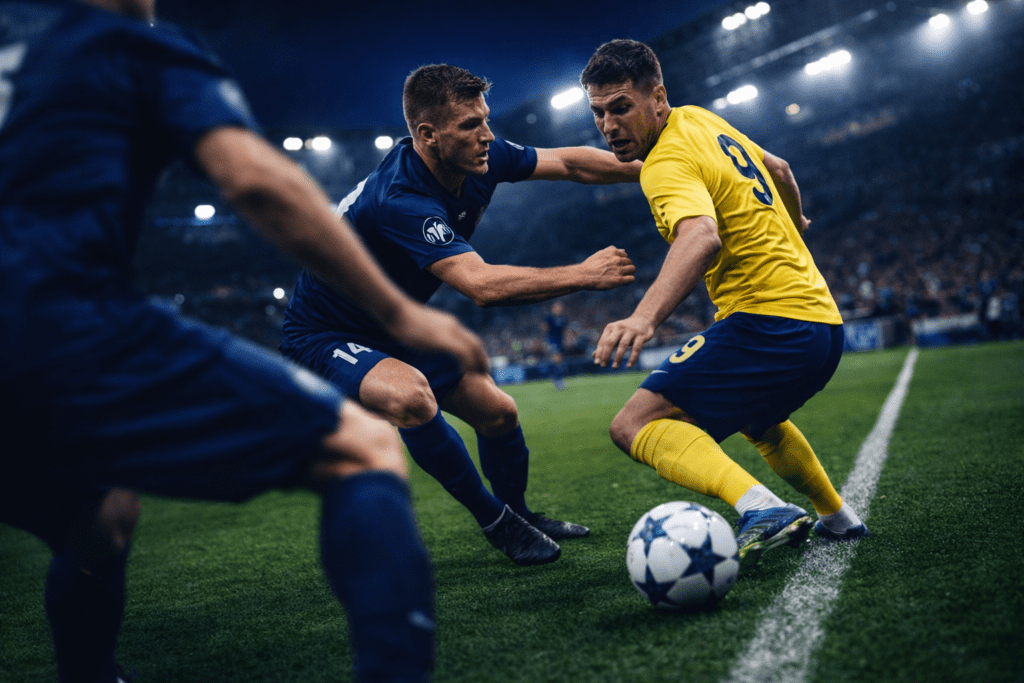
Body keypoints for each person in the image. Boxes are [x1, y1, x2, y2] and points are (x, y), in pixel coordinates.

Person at [0, 1, 491, 681]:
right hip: (57, 323)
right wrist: (401, 314)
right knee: (364, 446)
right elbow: (254, 178)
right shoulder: (130, 47)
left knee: (101, 516)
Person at [281, 64, 641, 566]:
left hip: (395, 321)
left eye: (485, 119)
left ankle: (520, 513)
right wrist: (583, 273)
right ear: (428, 135)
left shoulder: (481, 157)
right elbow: (482, 285)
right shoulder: (401, 198)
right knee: (410, 397)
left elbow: (569, 163)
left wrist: (648, 170)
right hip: (323, 332)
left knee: (499, 413)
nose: (487, 134)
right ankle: (498, 524)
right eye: (470, 125)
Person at [580, 39, 869, 566]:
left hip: (769, 322)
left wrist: (643, 317)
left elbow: (700, 237)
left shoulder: (662, 163)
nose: (608, 125)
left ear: (657, 99)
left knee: (634, 424)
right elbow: (779, 169)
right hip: (822, 325)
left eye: (620, 107)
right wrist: (797, 222)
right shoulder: (699, 119)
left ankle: (762, 508)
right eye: (598, 112)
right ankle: (837, 516)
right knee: (760, 419)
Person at [544, 301, 569, 390]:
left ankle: (557, 378)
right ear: (553, 308)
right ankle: (558, 380)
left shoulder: (563, 318)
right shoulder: (549, 317)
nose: (558, 309)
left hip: (560, 341)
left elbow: (566, 330)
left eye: (560, 307)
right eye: (557, 307)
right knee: (557, 359)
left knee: (559, 361)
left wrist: (567, 339)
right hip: (552, 341)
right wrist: (546, 342)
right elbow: (545, 329)